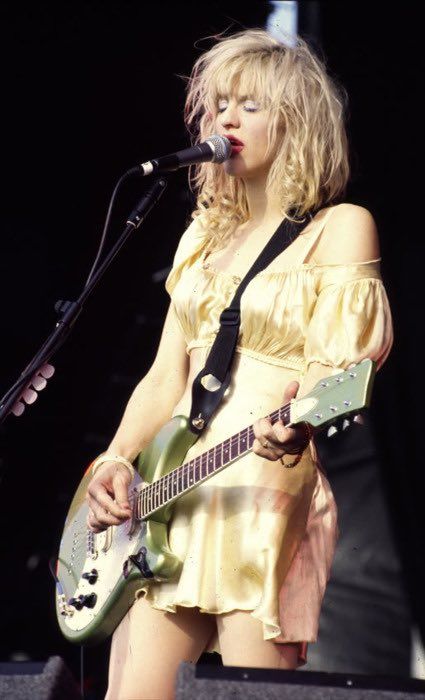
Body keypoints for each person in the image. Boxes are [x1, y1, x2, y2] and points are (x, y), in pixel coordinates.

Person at [86, 29, 394, 699]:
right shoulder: (201, 235)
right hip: (169, 495)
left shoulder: (337, 227)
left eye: (249, 104)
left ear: (297, 119)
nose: (224, 118)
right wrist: (113, 460)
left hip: (262, 491)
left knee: (252, 694)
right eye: (218, 102)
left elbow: (341, 367)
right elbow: (166, 375)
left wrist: (299, 419)